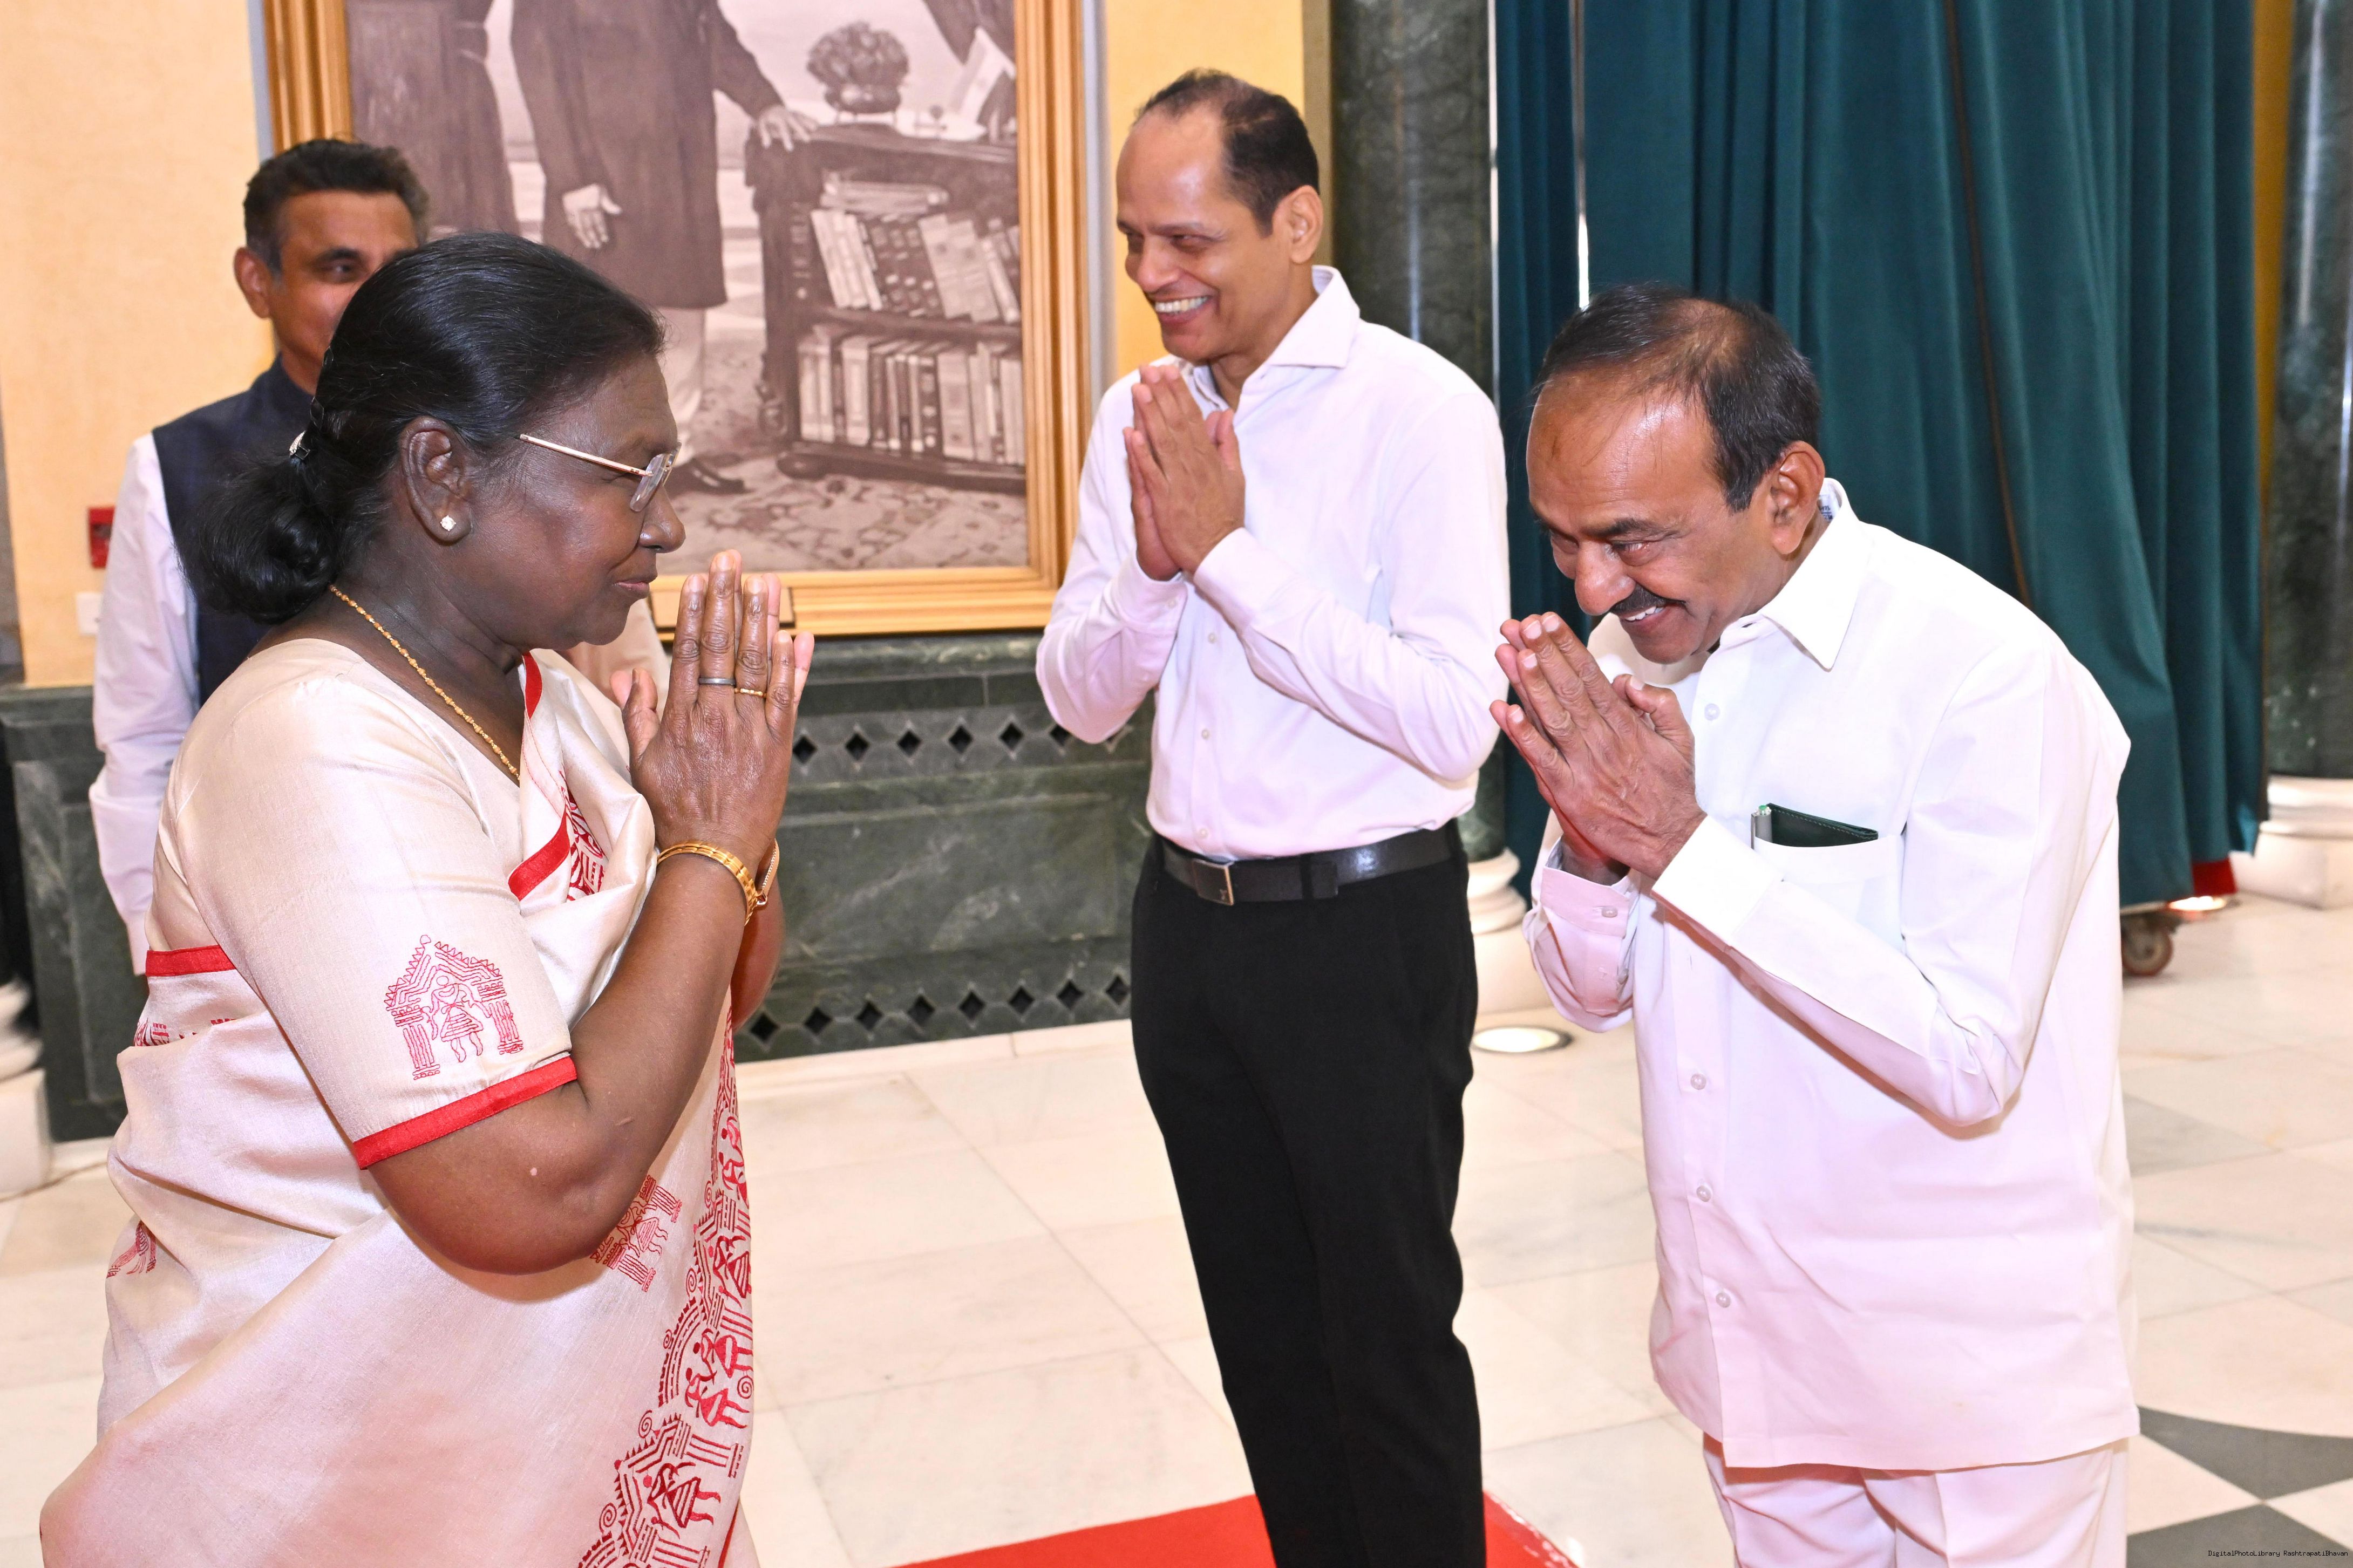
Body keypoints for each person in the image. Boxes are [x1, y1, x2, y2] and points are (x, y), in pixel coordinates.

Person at [42, 232, 813, 1565]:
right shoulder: (311, 738)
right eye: (628, 473)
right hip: (337, 1469)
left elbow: (716, 995)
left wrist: (724, 832)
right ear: (444, 474)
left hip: (525, 1440)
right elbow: (527, 1194)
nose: (666, 523)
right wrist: (705, 849)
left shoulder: (556, 700)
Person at [1502, 284, 2134, 1567]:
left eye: (1628, 539)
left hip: (1964, 1381)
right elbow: (1585, 992)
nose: (1593, 585)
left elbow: (1966, 1056)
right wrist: (1592, 841)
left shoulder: (1980, 675)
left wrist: (1682, 848)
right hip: (1749, 1354)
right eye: (1561, 541)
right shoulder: (1632, 653)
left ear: (1782, 495)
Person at [1038, 71, 1508, 1568]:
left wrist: (1227, 557)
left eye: (1188, 240)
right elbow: (1079, 699)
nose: (1152, 274)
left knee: (1386, 1338)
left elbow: (1451, 719)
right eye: (1134, 240)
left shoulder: (1420, 412)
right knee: (1261, 1338)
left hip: (1362, 934)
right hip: (1191, 931)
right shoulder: (1137, 413)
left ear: (1295, 222)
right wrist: (1156, 571)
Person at [91, 140, 423, 972]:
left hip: (476, 886)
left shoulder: (487, 446)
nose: (375, 299)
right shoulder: (176, 466)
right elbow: (142, 738)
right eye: (340, 268)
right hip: (264, 924)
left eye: (397, 271)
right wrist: (166, 953)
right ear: (257, 281)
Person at [512, 0, 806, 496]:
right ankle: (588, 465)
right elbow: (542, 76)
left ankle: (676, 460)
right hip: (604, 172)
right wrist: (572, 180)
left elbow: (716, 40)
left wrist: (765, 103)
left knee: (683, 313)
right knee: (596, 325)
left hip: (681, 167)